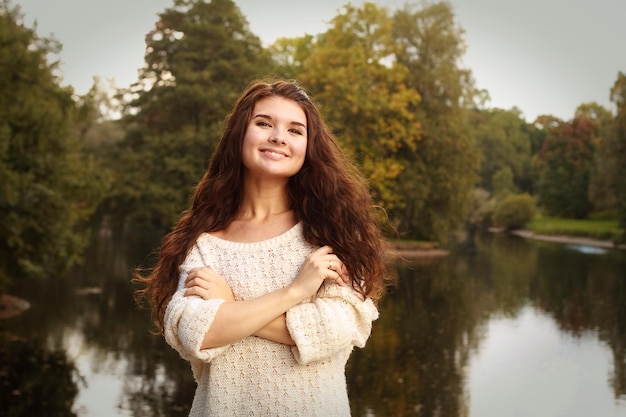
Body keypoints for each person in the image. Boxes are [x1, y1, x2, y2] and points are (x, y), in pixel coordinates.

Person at [135, 79, 389, 416]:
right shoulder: (203, 243)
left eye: (295, 130)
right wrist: (295, 293)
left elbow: (331, 330)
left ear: (308, 146)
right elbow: (197, 330)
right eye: (264, 123)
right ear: (240, 134)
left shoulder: (331, 235)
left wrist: (229, 307)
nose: (279, 137)